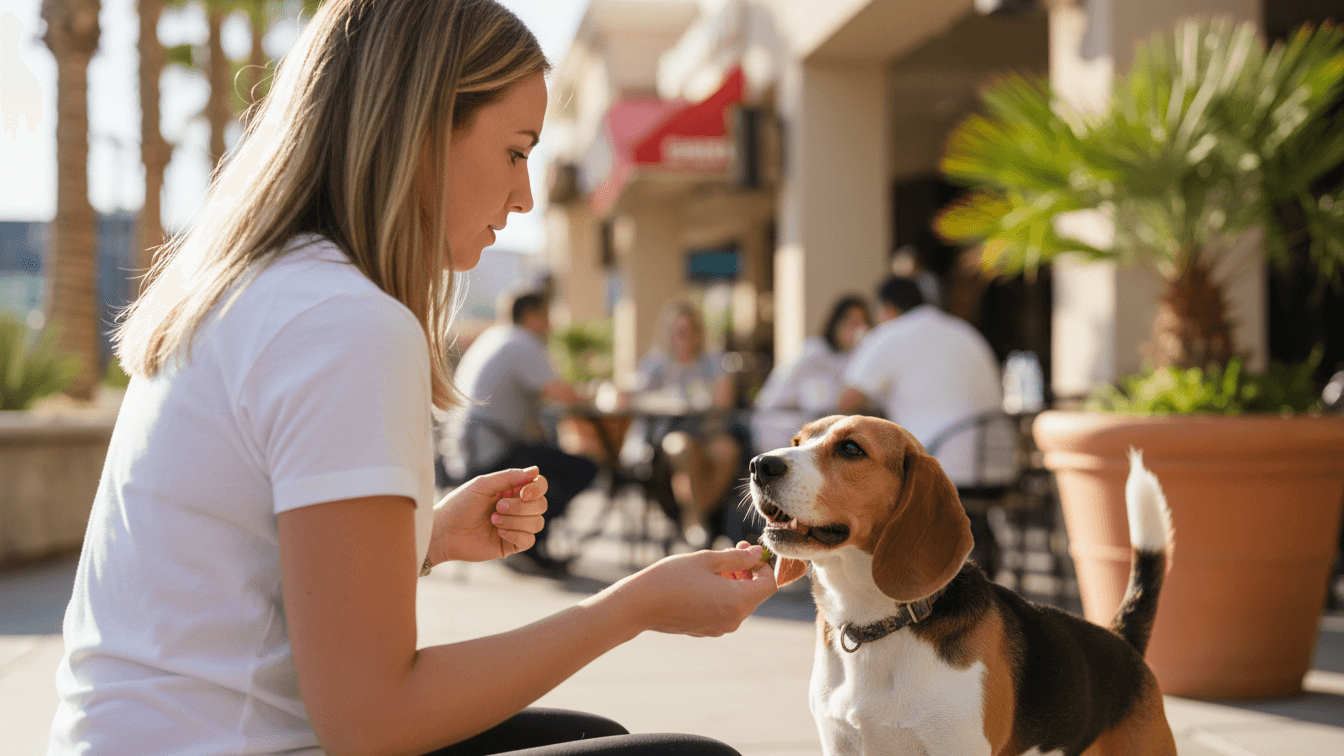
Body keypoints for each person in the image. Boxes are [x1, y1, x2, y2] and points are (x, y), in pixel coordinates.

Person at [47, 3, 777, 755]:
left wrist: (426, 539)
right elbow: (372, 722)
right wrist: (633, 606)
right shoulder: (344, 321)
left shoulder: (258, 290)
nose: (525, 195)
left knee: (597, 737)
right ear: (424, 131)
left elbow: (238, 581)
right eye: (515, 151)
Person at [837, 276, 1003, 570]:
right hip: (998, 464)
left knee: (866, 469)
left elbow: (845, 401)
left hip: (942, 467)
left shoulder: (891, 334)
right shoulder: (962, 330)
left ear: (886, 309)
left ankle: (888, 570)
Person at [441, 288, 599, 577]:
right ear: (531, 316)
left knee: (550, 460)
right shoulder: (522, 342)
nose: (552, 325)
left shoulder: (495, 337)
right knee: (584, 468)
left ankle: (526, 544)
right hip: (490, 450)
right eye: (547, 317)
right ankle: (526, 546)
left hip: (465, 448)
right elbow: (560, 393)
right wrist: (597, 394)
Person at [627, 301, 742, 546]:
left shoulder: (713, 360)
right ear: (669, 333)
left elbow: (724, 401)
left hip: (708, 431)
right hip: (669, 433)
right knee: (682, 448)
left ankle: (694, 515)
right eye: (680, 331)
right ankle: (696, 520)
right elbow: (637, 399)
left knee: (727, 452)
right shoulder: (655, 363)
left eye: (691, 331)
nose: (685, 337)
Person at [750, 294, 871, 452]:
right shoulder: (814, 351)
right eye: (851, 323)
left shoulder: (853, 357)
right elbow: (823, 401)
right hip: (784, 426)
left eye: (861, 323)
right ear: (836, 322)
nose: (856, 329)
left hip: (818, 431)